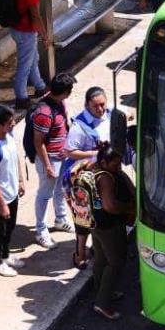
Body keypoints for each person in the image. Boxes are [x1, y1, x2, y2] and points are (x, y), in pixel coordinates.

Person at [63, 86, 111, 268]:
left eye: (102, 105)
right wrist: (94, 153)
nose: (100, 109)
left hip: (101, 177)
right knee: (83, 218)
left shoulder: (109, 115)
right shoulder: (79, 126)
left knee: (99, 214)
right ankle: (80, 253)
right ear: (87, 105)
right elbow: (69, 151)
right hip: (82, 182)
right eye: (95, 106)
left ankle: (97, 249)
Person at [90, 143, 135, 320]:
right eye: (115, 165)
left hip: (94, 222)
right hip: (109, 226)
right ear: (104, 162)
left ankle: (101, 290)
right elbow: (110, 206)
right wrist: (128, 208)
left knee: (101, 258)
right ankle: (102, 303)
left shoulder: (93, 169)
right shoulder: (107, 178)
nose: (118, 168)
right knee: (116, 262)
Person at [33, 72, 76, 249]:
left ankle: (60, 219)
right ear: (64, 92)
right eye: (70, 89)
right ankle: (41, 230)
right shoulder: (44, 112)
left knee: (60, 190)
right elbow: (38, 142)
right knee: (45, 195)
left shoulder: (59, 103)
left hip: (62, 156)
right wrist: (48, 166)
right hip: (49, 160)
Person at [0, 103, 26, 278]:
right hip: (0, 198)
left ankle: (6, 255)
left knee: (10, 228)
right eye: (10, 122)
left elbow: (15, 158)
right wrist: (1, 205)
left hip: (12, 193)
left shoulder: (8, 137)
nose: (14, 124)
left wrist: (21, 180)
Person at [9, 0, 49, 110]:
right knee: (24, 65)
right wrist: (45, 35)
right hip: (26, 32)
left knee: (32, 58)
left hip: (15, 29)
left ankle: (40, 85)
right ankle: (21, 97)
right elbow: (36, 16)